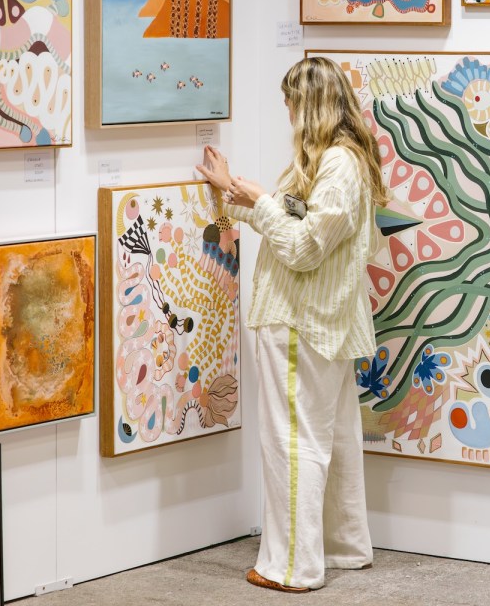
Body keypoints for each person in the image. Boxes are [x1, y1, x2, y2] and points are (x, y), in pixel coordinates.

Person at [195, 56, 386, 593]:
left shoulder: (338, 167)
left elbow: (302, 250)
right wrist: (244, 195)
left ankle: (293, 567)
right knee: (337, 436)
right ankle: (344, 547)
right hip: (327, 320)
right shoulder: (340, 161)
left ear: (312, 106)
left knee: (293, 441)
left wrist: (258, 202)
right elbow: (308, 226)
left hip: (303, 320)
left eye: (292, 102)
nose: (286, 111)